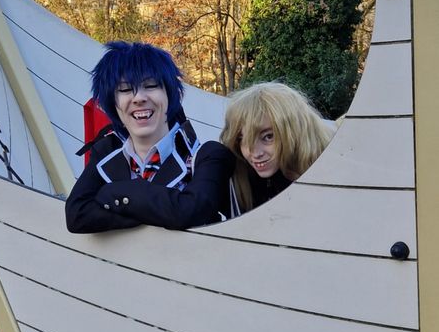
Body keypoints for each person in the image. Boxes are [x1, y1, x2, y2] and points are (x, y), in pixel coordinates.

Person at [65, 41, 234, 232]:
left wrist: (116, 193)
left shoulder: (208, 156)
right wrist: (154, 212)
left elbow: (190, 211)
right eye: (125, 89)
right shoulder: (105, 152)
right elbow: (77, 216)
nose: (139, 98)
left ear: (170, 94)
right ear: (112, 103)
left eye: (151, 85)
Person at [220, 81, 337, 216]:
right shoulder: (243, 175)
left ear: (294, 131)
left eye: (268, 137)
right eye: (242, 139)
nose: (255, 153)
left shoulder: (334, 169)